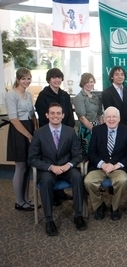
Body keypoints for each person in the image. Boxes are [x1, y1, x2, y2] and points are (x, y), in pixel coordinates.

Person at [28, 103, 86, 236]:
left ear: (63, 115)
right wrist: (50, 167)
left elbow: (78, 154)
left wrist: (69, 165)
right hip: (48, 169)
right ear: (47, 115)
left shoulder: (70, 131)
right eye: (52, 113)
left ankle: (78, 215)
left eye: (58, 113)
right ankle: (49, 220)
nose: (55, 116)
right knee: (46, 181)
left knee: (78, 177)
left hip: (66, 167)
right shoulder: (39, 133)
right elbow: (32, 158)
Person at [84, 107, 127, 221]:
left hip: (118, 167)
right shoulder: (97, 130)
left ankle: (114, 207)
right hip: (99, 167)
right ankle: (99, 205)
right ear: (104, 119)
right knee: (88, 181)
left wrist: (116, 165)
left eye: (114, 116)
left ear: (119, 118)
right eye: (108, 117)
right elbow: (91, 152)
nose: (111, 119)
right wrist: (102, 164)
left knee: (122, 181)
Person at [35, 67, 74, 204]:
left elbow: (68, 113)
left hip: (65, 133)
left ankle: (60, 192)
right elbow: (43, 116)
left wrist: (67, 131)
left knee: (63, 159)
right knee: (52, 161)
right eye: (53, 77)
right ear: (49, 79)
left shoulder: (64, 95)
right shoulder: (43, 95)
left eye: (59, 77)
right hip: (49, 134)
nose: (57, 80)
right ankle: (52, 194)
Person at [5, 67, 37, 211]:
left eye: (28, 78)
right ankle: (19, 201)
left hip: (29, 128)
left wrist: (35, 130)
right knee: (21, 167)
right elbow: (14, 119)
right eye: (23, 78)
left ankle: (26, 199)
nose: (26, 81)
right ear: (18, 80)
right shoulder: (11, 95)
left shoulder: (29, 94)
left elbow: (32, 115)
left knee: (28, 166)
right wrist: (28, 135)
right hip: (19, 131)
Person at [73, 73, 103, 155]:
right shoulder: (79, 97)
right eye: (87, 82)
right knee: (88, 152)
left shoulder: (95, 97)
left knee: (99, 151)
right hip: (86, 128)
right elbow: (82, 117)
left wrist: (102, 127)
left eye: (91, 82)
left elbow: (100, 114)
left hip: (96, 126)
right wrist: (93, 129)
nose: (90, 84)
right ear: (82, 83)